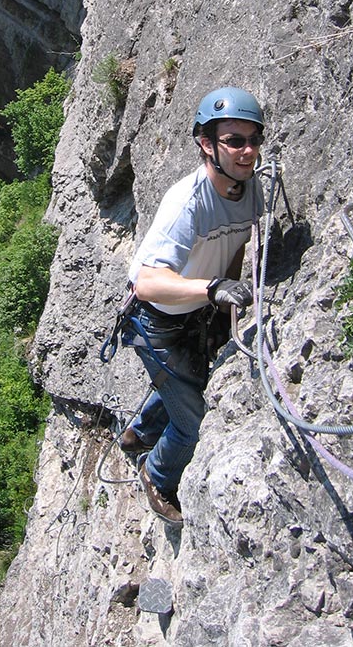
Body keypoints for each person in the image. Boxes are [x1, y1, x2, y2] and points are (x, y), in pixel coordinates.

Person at [121, 86, 266, 526]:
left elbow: (237, 241)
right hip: (158, 322)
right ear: (206, 145)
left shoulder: (250, 189)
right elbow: (147, 282)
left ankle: (138, 435)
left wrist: (224, 294)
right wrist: (213, 289)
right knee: (192, 420)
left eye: (254, 140)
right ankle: (158, 474)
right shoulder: (188, 203)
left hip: (196, 312)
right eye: (234, 141)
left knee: (184, 382)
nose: (247, 151)